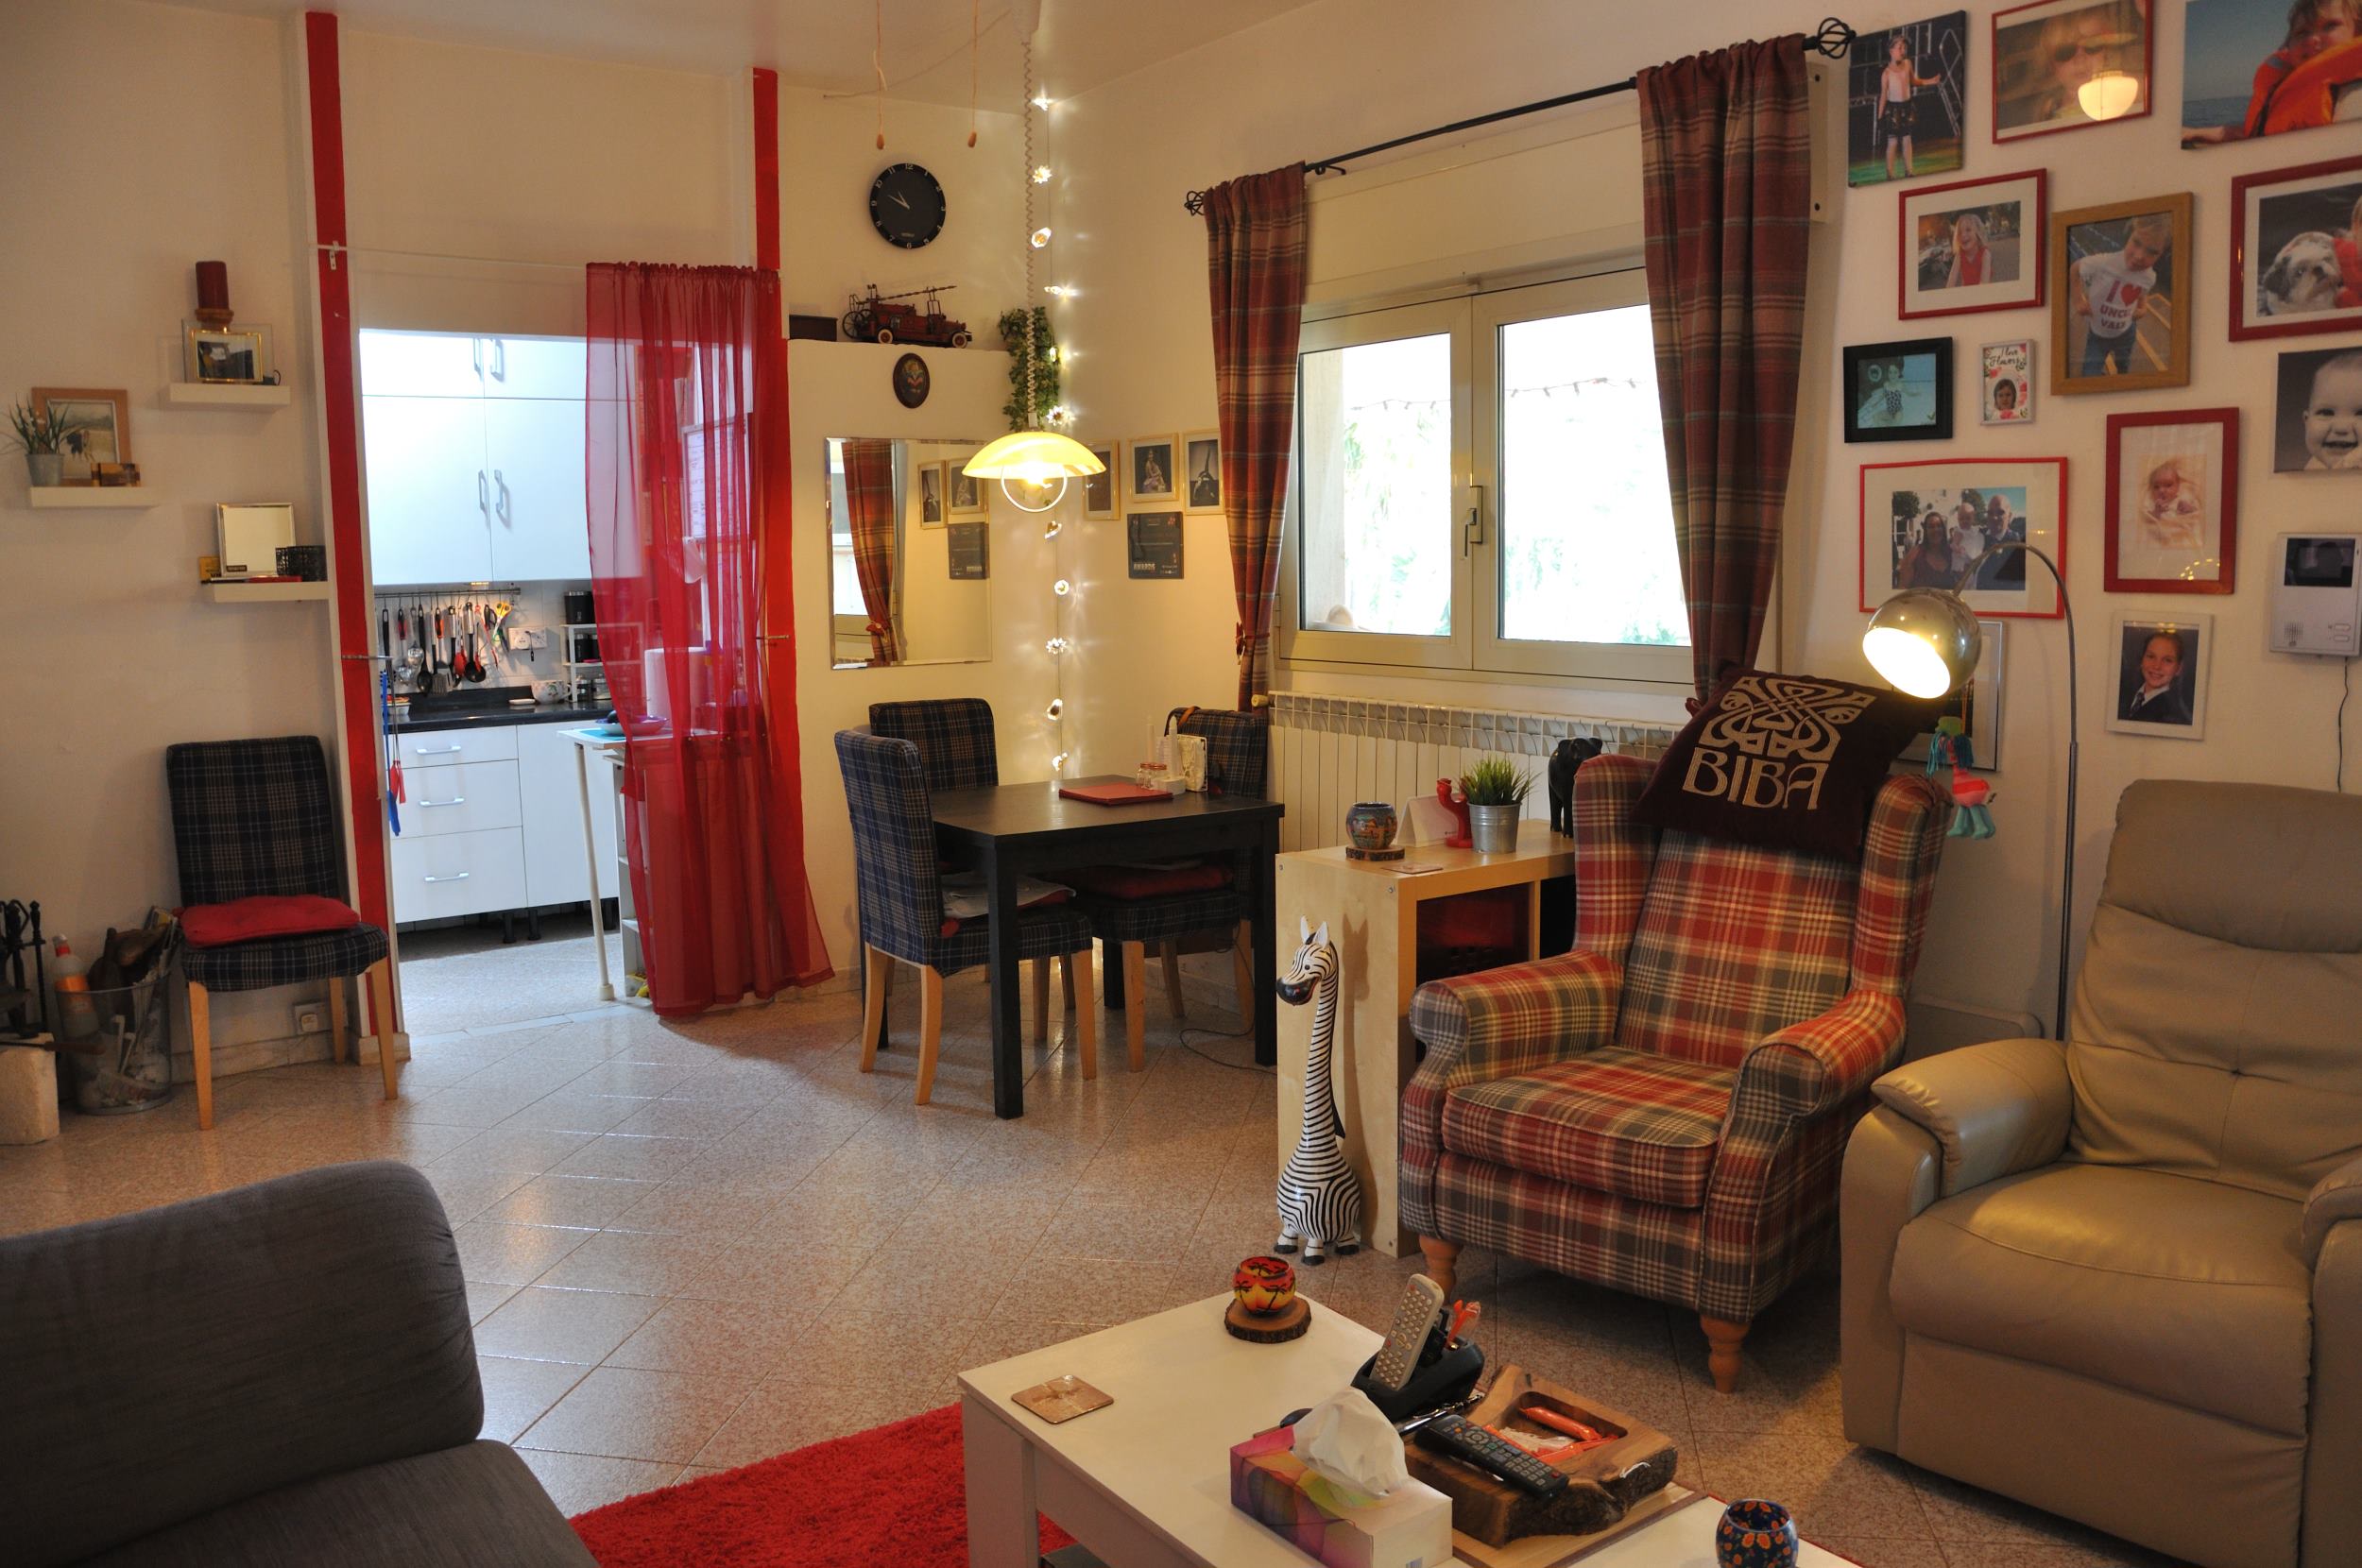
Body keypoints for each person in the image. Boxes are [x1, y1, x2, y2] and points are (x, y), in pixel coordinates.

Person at [2182, 0, 2362, 145]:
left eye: (2330, 25)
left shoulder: (2352, 94)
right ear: (2288, 47)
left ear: (2358, 30)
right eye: (2302, 33)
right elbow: (2254, 133)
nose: (2312, 39)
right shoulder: (2284, 87)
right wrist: (2195, 132)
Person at [2072, 214, 2169, 379]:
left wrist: (2142, 308)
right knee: (2089, 375)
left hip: (2126, 333)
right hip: (2098, 335)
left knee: (2123, 366)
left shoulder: (2149, 277)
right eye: (2136, 242)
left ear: (2160, 255)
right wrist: (2078, 300)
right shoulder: (2104, 262)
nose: (2139, 256)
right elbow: (2075, 269)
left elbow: (2141, 295)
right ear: (2128, 236)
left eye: (2152, 252)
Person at [2025, 1, 2143, 128]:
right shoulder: (2047, 109)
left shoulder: (2126, 93)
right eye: (2065, 52)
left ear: (2107, 51)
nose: (2080, 59)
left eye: (2092, 45)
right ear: (2051, 65)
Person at [1879, 32, 1944, 179]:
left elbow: (1914, 81)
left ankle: (1909, 171)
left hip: (1906, 107)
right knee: (1893, 142)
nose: (1903, 51)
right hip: (1893, 109)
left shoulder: (1908, 64)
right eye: (1900, 48)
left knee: (1907, 140)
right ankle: (1890, 174)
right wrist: (1880, 117)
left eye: (1904, 48)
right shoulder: (1886, 73)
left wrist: (1931, 81)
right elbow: (1883, 95)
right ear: (1891, 51)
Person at [2301, 349, 2362, 469]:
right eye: (2326, 413)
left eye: (2361, 413)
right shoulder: (2313, 467)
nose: (2341, 427)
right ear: (2306, 421)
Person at [2119, 629, 2194, 725]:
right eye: (2151, 656)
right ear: (2142, 660)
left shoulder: (2174, 716)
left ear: (2179, 668)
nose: (2157, 666)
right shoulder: (2125, 695)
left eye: (2167, 660)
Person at [2138, 456, 2206, 549]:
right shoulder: (2151, 502)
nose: (2161, 490)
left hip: (2182, 535)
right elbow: (2147, 519)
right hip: (2161, 538)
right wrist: (2156, 512)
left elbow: (2198, 513)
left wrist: (2189, 509)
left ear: (2178, 486)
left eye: (2168, 485)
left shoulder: (2184, 497)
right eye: (2156, 487)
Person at [1945, 212, 1995, 287]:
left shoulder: (1985, 254)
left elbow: (1984, 283)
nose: (1963, 235)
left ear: (1978, 233)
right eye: (1959, 232)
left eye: (1968, 230)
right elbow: (1951, 281)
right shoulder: (1959, 255)